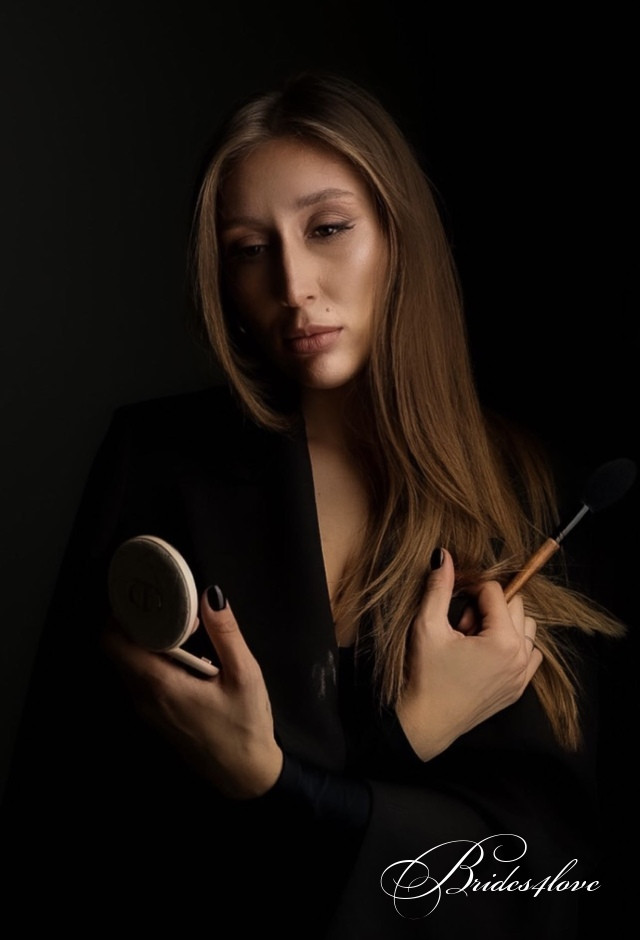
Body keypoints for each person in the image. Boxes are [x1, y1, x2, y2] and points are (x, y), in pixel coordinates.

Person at [1, 71, 626, 938]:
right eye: (248, 249)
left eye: (328, 229)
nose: (293, 284)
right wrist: (408, 740)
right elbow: (65, 819)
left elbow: (544, 881)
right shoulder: (157, 465)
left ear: (399, 235)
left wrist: (281, 783)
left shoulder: (527, 495)